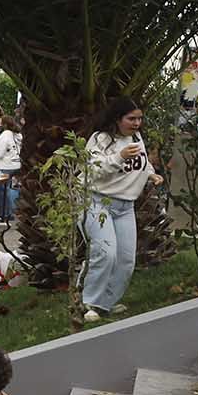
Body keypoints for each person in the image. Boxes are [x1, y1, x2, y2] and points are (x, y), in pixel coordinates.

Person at [79, 97, 160, 322]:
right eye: (131, 118)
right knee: (105, 252)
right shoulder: (100, 139)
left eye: (139, 118)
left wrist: (150, 173)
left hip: (126, 207)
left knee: (126, 260)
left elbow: (141, 162)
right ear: (117, 118)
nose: (136, 123)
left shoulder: (136, 137)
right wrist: (119, 157)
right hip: (97, 201)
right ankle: (88, 303)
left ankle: (105, 304)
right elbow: (91, 171)